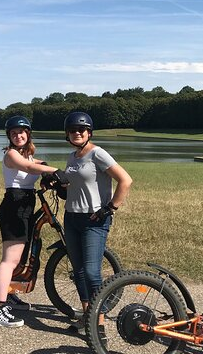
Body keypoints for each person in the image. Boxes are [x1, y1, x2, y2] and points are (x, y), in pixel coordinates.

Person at [61, 111, 132, 330]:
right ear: (68, 134)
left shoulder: (98, 154)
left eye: (81, 130)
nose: (77, 133)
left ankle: (98, 322)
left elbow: (125, 180)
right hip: (71, 216)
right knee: (79, 271)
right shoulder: (72, 157)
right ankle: (86, 315)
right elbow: (71, 185)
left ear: (89, 132)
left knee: (92, 271)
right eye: (73, 130)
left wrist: (110, 208)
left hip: (94, 219)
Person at [0, 115, 64, 328]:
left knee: (21, 255)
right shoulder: (12, 154)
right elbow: (29, 168)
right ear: (9, 137)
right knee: (10, 260)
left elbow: (36, 164)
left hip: (24, 205)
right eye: (13, 133)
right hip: (14, 208)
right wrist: (56, 171)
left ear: (28, 134)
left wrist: (49, 169)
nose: (18, 136)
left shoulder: (28, 155)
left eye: (21, 132)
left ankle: (9, 292)